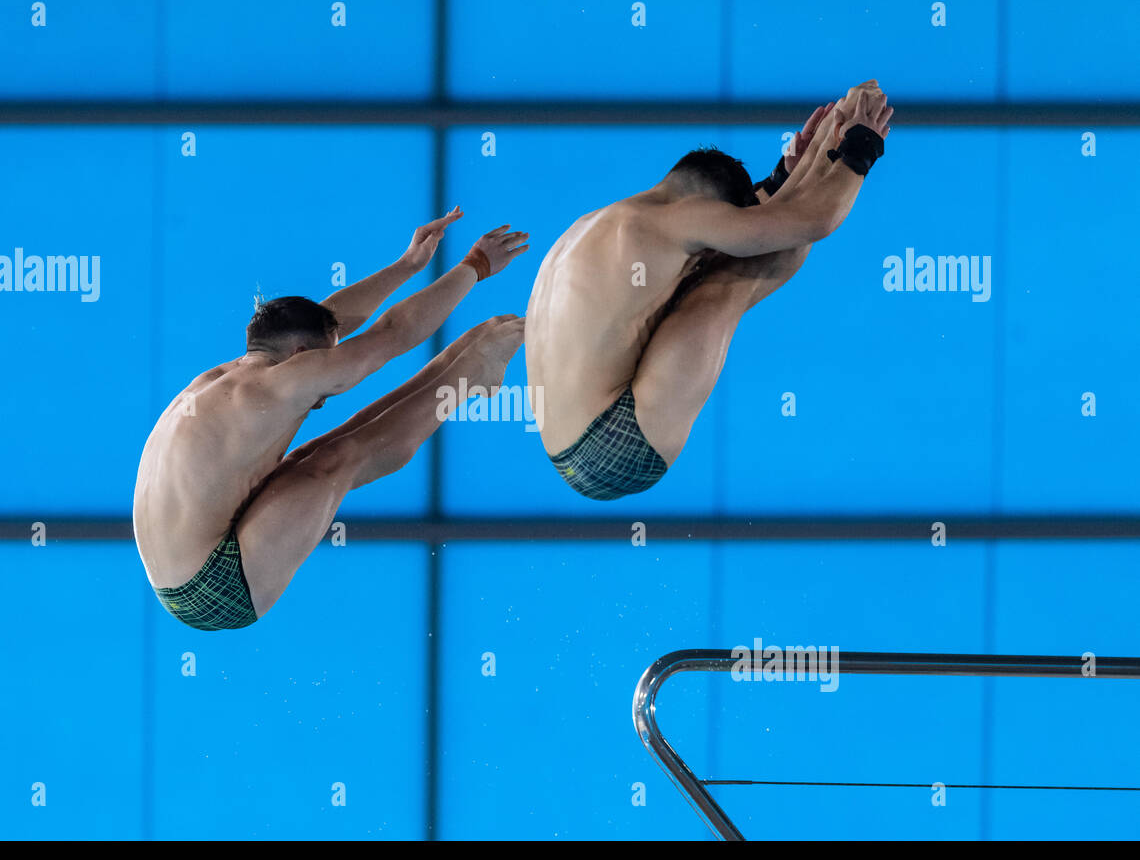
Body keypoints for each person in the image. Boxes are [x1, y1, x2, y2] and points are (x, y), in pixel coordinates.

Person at [133, 208, 529, 629]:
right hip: (213, 589)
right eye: (329, 357)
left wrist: (406, 265)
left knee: (318, 452)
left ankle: (461, 369)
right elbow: (392, 333)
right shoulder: (277, 385)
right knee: (338, 460)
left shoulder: (234, 376)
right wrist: (475, 267)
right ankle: (471, 375)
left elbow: (334, 318)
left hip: (178, 567)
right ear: (302, 358)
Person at [525, 80, 892, 500]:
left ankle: (814, 155)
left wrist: (796, 169)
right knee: (730, 280)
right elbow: (811, 221)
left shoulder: (592, 225)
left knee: (719, 263)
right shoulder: (682, 219)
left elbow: (754, 224)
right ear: (710, 202)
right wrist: (859, 143)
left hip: (565, 453)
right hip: (619, 444)